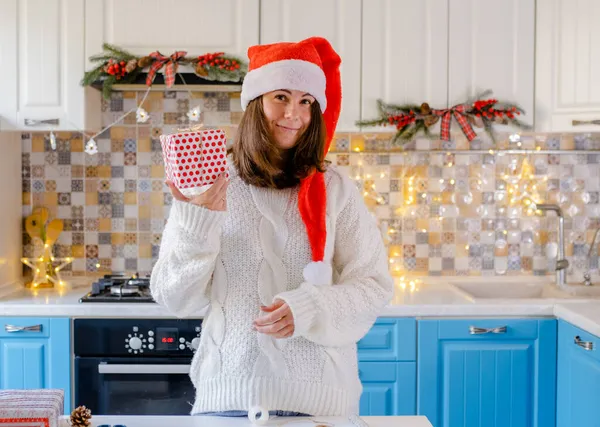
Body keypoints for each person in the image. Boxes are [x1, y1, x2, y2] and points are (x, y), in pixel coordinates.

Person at [150, 36, 394, 418]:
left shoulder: (336, 190)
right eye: (280, 96)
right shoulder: (213, 182)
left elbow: (374, 286)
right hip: (228, 401)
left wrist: (310, 307)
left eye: (306, 101)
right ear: (255, 103)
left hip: (321, 408)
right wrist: (196, 221)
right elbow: (174, 299)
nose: (293, 113)